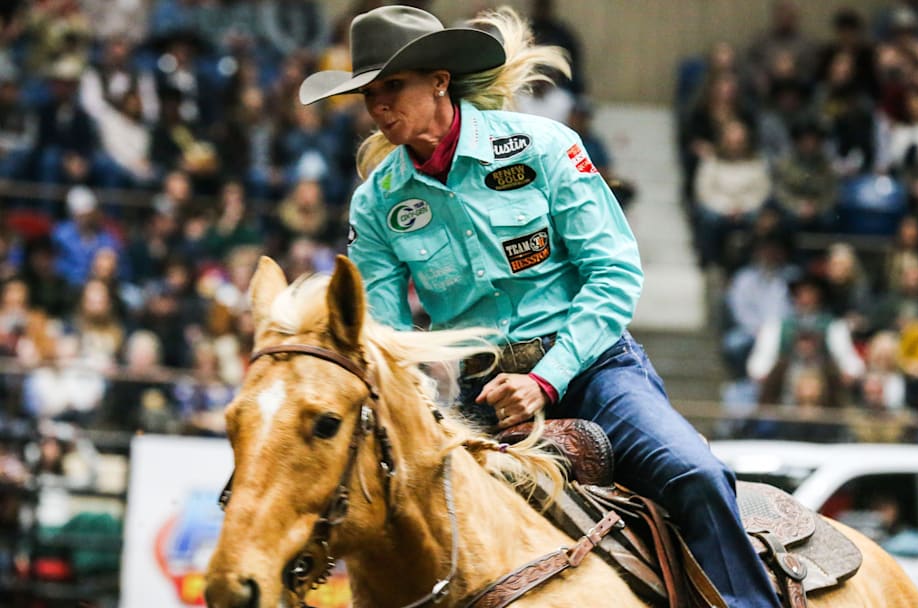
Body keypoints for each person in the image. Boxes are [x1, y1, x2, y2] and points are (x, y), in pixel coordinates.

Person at [297, 6, 780, 607]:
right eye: (369, 94)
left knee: (695, 474)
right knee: (396, 520)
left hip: (594, 372)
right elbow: (388, 334)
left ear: (440, 81)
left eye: (392, 86)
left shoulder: (545, 147)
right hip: (476, 400)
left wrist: (545, 381)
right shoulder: (376, 203)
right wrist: (425, 399)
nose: (378, 106)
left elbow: (613, 272)